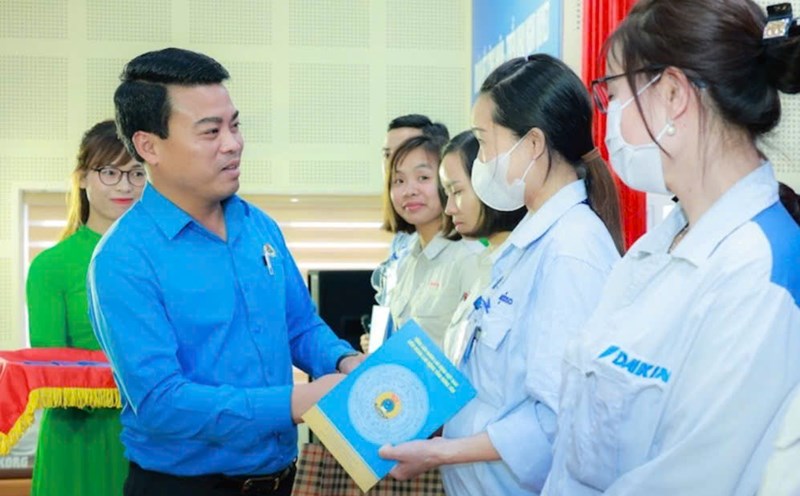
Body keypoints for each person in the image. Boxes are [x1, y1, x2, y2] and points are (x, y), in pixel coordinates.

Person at [542, 1, 800, 494]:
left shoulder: (758, 278)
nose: (609, 119)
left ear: (673, 94)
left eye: (613, 93)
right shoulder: (658, 246)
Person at [87, 48, 363, 496]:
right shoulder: (123, 259)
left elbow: (299, 326)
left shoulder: (259, 227)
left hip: (281, 480)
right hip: (184, 487)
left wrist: (344, 361)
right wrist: (295, 403)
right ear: (148, 146)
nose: (232, 143)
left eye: (234, 125)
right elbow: (161, 403)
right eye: (210, 131)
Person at [380, 53, 623, 495]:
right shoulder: (527, 243)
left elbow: (556, 419)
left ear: (532, 145)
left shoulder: (571, 251)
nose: (481, 162)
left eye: (485, 143)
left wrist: (439, 453)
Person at [26, 119, 145, 496]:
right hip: (78, 438)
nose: (125, 185)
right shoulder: (51, 266)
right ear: (82, 178)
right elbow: (51, 365)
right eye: (110, 171)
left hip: (156, 437)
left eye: (136, 173)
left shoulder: (162, 258)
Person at [383, 134, 481, 349]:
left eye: (423, 178)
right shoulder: (407, 260)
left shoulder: (469, 256)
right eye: (399, 181)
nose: (409, 191)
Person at [438, 130, 526, 363]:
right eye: (446, 194)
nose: (448, 209)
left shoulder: (523, 264)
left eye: (456, 192)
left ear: (489, 182)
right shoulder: (487, 260)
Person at [371, 114, 450, 308]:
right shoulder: (407, 252)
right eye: (388, 155)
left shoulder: (466, 255)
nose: (396, 160)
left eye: (422, 177)